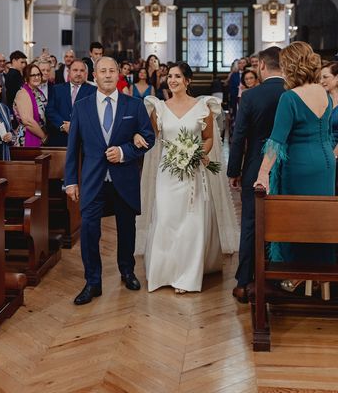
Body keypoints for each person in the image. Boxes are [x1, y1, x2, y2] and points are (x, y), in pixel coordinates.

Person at [140, 62, 238, 294]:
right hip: (167, 173)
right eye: (169, 76)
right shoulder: (159, 108)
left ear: (187, 80)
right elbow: (154, 138)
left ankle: (186, 276)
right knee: (166, 218)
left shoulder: (203, 107)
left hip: (193, 172)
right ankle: (164, 273)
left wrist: (195, 155)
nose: (172, 80)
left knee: (191, 222)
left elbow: (208, 139)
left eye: (177, 76)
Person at [65, 56, 155, 305]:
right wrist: (70, 181)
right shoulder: (81, 107)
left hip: (123, 179)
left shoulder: (134, 105)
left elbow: (148, 137)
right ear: (95, 75)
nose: (107, 75)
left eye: (111, 71)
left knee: (126, 228)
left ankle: (127, 270)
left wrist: (125, 152)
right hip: (93, 180)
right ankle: (93, 281)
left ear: (118, 75)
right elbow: (73, 148)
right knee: (89, 230)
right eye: (102, 71)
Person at [255, 42, 336, 297]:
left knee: (294, 220)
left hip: (299, 165)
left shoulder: (289, 97)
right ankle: (320, 278)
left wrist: (262, 173)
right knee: (321, 221)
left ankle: (296, 274)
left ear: (290, 66)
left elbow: (276, 142)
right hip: (325, 165)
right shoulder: (325, 93)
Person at [227, 46, 285, 303]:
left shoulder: (251, 96)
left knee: (251, 223)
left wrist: (234, 171)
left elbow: (238, 137)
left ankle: (244, 282)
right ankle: (277, 278)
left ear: (261, 65)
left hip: (255, 166)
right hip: (286, 167)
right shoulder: (292, 92)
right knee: (283, 223)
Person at [45, 59, 96, 147]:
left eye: (82, 71)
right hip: (59, 139)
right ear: (69, 71)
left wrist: (75, 127)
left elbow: (93, 114)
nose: (79, 73)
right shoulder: (57, 89)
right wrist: (63, 125)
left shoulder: (93, 91)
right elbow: (50, 110)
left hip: (82, 141)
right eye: (75, 70)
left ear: (86, 73)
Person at [14, 62, 48, 147]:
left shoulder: (37, 92)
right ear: (26, 78)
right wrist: (43, 137)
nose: (37, 77)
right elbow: (28, 121)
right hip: (27, 136)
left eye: (38, 74)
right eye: (33, 75)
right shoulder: (23, 93)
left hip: (38, 134)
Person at [320, 61, 338, 192]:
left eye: (325, 77)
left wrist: (334, 156)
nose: (321, 81)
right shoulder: (322, 100)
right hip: (324, 157)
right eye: (320, 78)